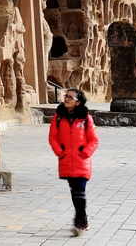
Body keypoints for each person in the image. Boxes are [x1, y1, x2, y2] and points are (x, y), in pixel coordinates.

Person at [48, 87, 99, 236]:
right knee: (74, 190)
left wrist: (85, 153)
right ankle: (82, 217)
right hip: (66, 159)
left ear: (78, 102)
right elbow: (53, 137)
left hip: (81, 160)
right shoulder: (58, 116)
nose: (67, 99)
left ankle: (80, 220)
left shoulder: (85, 118)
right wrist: (60, 152)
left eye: (70, 97)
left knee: (79, 189)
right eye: (66, 96)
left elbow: (94, 139)